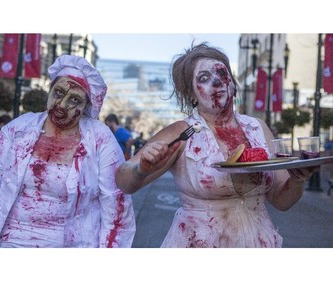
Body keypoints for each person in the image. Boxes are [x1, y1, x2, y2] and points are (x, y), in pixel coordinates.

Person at [115, 42, 318, 248]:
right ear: (192, 94)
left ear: (231, 81)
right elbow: (124, 180)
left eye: (221, 73)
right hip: (199, 242)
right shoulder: (183, 132)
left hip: (257, 241)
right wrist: (141, 170)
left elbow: (282, 201)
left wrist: (298, 179)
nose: (216, 81)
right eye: (204, 78)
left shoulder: (258, 128)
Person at [0, 54, 136, 248]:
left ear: (86, 107)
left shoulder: (100, 139)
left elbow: (117, 207)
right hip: (10, 242)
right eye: (58, 93)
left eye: (74, 100)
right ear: (49, 90)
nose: (62, 105)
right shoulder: (18, 129)